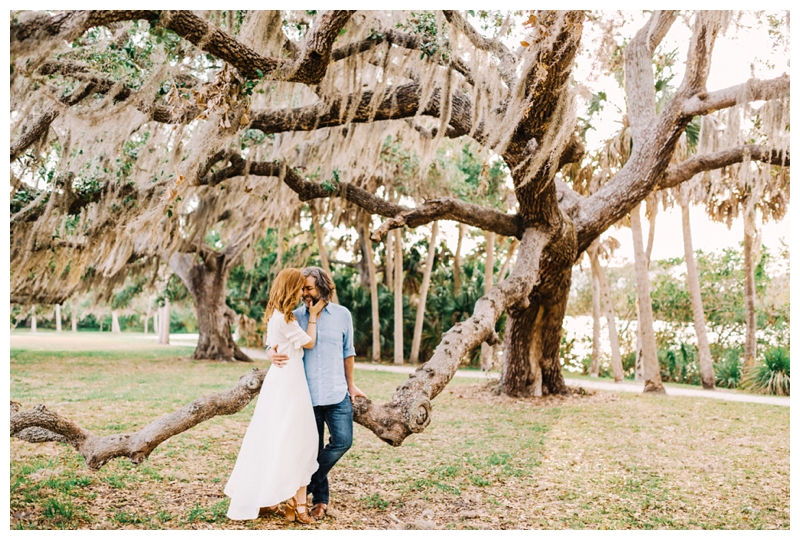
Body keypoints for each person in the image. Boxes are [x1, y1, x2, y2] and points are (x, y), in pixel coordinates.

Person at [225, 268, 326, 525]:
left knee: (277, 436)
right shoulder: (286, 318)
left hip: (281, 379)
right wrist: (313, 317)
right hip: (289, 380)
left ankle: (273, 496)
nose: (304, 292)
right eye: (301, 288)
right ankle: (294, 501)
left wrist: (271, 350)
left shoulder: (274, 315)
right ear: (291, 288)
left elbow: (273, 343)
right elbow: (310, 343)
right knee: (299, 439)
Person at [268, 266, 367, 520]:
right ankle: (319, 501)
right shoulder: (295, 315)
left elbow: (348, 351)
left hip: (336, 392)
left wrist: (351, 384)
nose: (305, 294)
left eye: (309, 288)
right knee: (310, 449)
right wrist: (270, 351)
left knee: (343, 441)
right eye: (302, 289)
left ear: (323, 287)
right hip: (305, 394)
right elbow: (275, 337)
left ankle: (300, 489)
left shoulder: (343, 315)